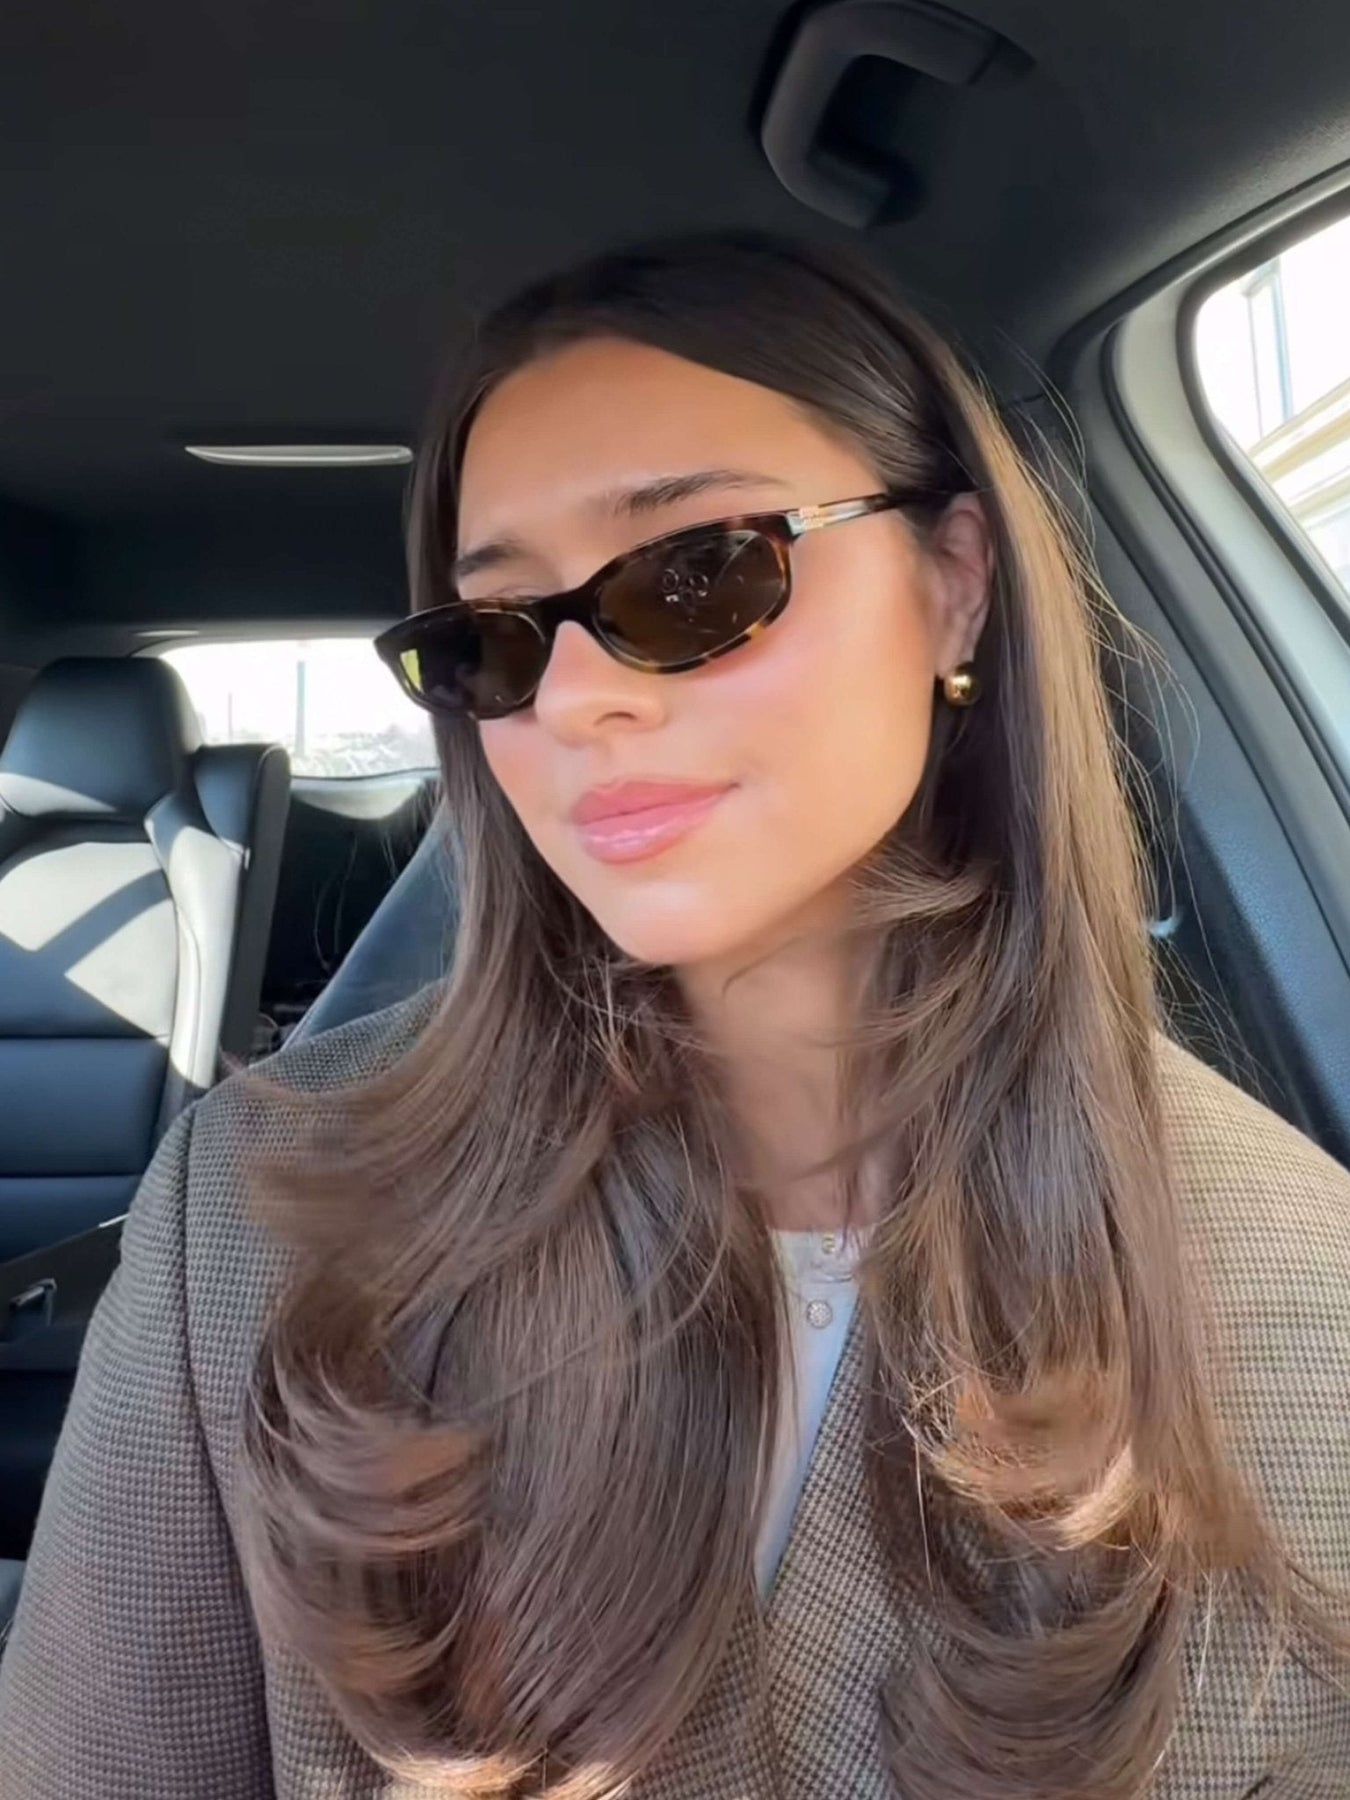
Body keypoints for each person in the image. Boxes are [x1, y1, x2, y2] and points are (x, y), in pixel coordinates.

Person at [2, 231, 1348, 1800]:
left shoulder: (1300, 1302)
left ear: (955, 586)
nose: (574, 698)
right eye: (493, 638)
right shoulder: (247, 1224)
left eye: (699, 573)